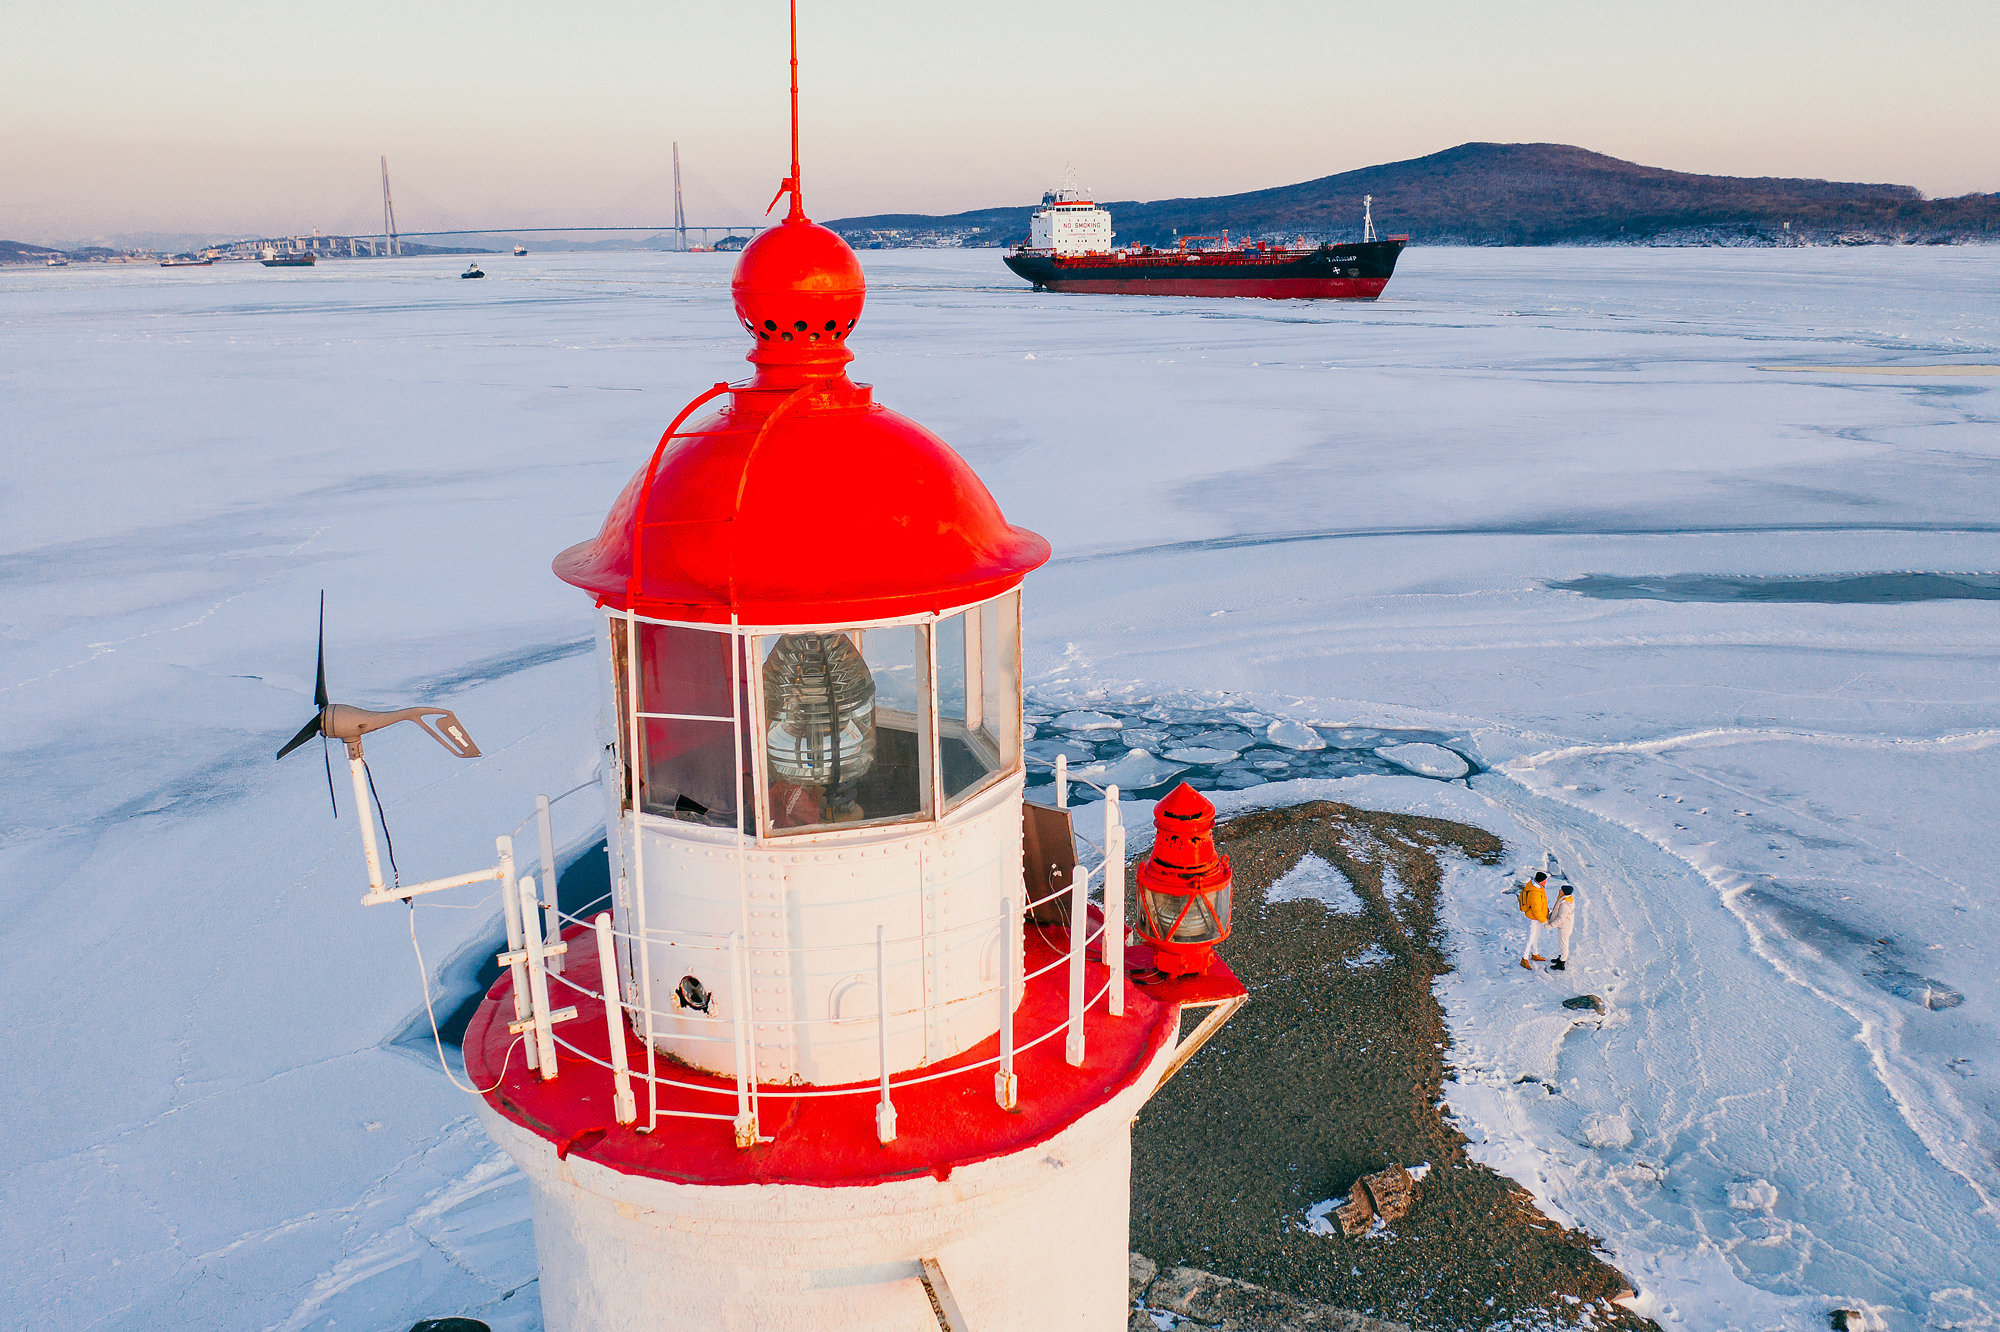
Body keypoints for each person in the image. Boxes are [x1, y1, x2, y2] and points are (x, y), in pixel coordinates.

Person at [1515, 871, 1550, 970]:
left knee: (1535, 936)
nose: (1546, 882)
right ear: (1540, 881)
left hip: (1537, 918)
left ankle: (1534, 954)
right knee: (1530, 938)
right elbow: (1536, 910)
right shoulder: (1534, 892)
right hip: (1533, 919)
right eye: (1544, 881)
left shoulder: (1538, 887)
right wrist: (1544, 920)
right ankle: (1524, 958)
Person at [1546, 884, 1577, 971]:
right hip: (1565, 926)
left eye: (1561, 890)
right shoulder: (1566, 899)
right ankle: (1561, 957)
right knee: (1562, 944)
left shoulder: (1565, 905)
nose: (1559, 891)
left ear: (1564, 893)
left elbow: (1560, 919)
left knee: (1563, 945)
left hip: (1564, 927)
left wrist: (1550, 925)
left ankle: (1561, 963)